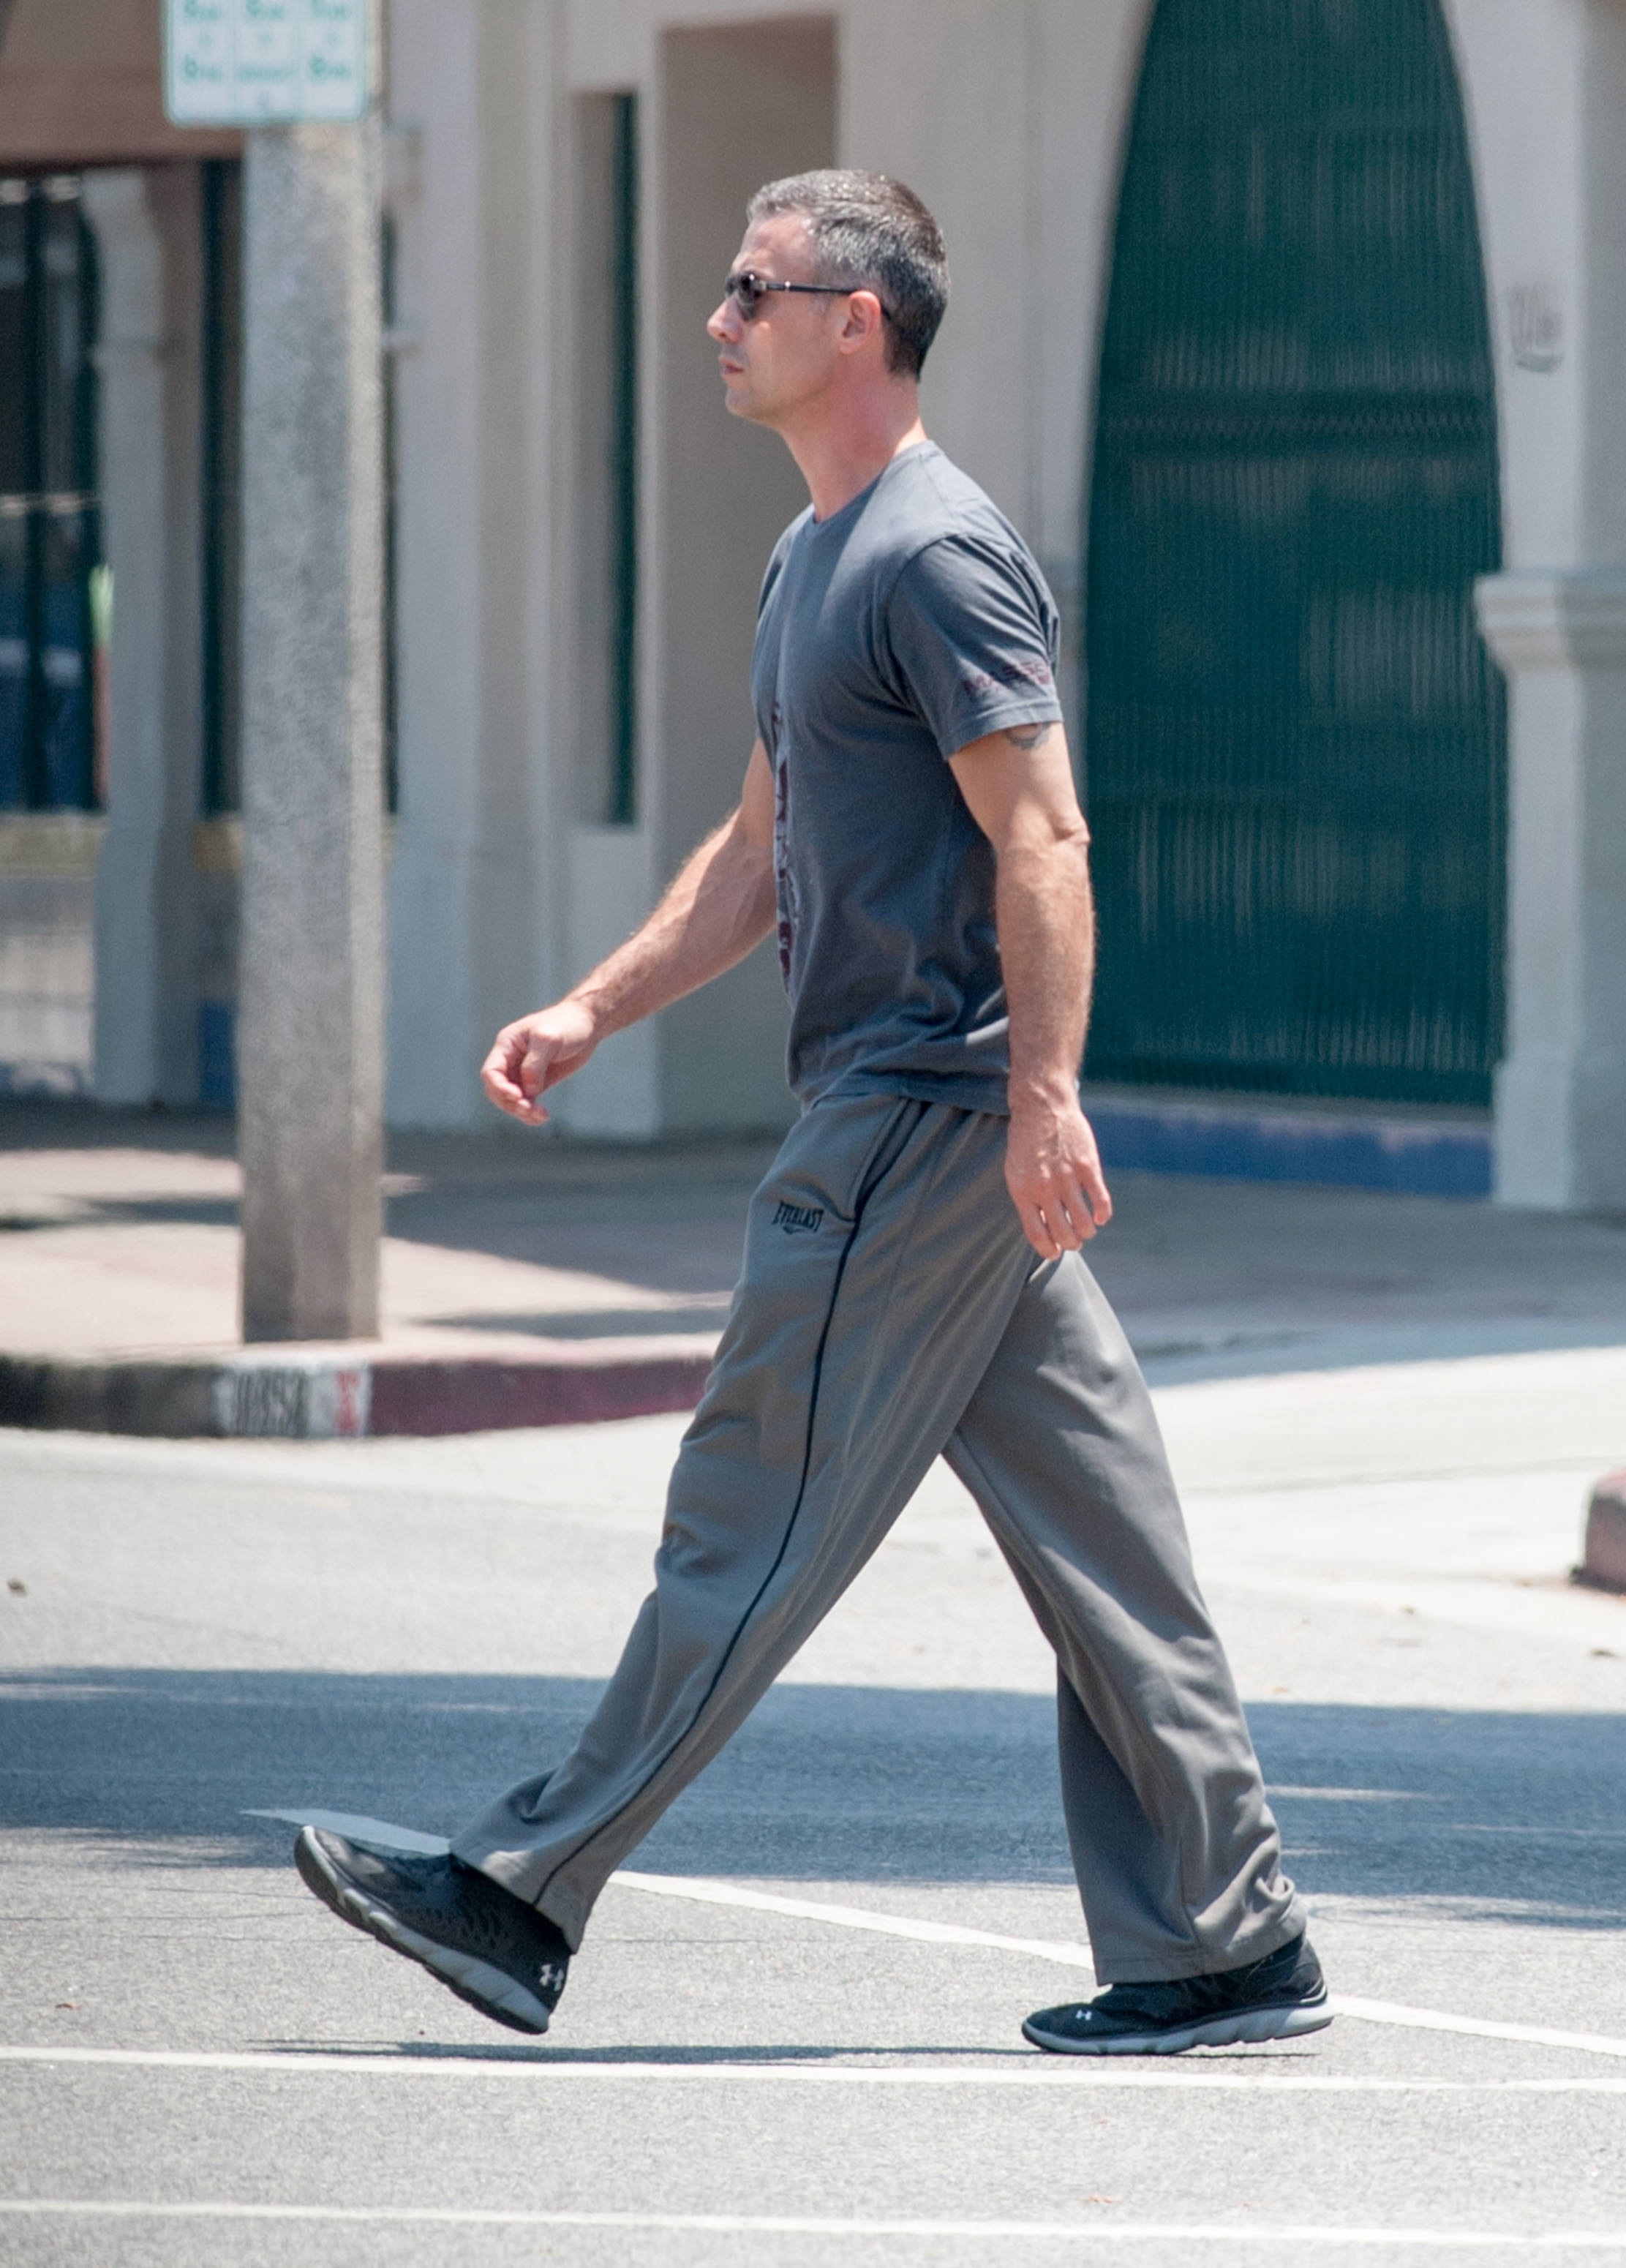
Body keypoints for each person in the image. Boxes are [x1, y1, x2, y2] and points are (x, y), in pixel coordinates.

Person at [294, 169, 1330, 2059]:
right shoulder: (809, 562)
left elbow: (1045, 834)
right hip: (938, 1130)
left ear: (860, 320)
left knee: (749, 1499)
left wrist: (1041, 1094)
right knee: (1116, 1560)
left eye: (753, 287)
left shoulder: (934, 554)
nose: (718, 314)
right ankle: (1225, 1938)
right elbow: (766, 855)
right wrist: (593, 1006)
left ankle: (522, 1890)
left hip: (917, 1121)